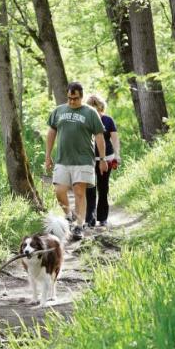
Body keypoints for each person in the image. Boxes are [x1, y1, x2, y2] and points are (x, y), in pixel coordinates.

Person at [45, 82, 108, 240]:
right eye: (69, 98)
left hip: (84, 159)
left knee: (80, 191)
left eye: (75, 98)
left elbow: (99, 136)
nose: (72, 101)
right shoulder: (59, 111)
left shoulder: (90, 112)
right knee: (59, 191)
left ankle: (79, 226)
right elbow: (51, 132)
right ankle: (68, 216)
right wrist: (47, 155)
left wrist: (102, 159)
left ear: (81, 96)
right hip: (62, 159)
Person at [85, 94, 121, 227]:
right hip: (89, 159)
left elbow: (115, 139)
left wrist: (117, 155)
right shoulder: (86, 121)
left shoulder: (108, 120)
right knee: (90, 188)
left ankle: (103, 217)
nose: (96, 111)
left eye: (97, 107)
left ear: (101, 107)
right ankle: (90, 218)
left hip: (107, 158)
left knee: (103, 187)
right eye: (92, 107)